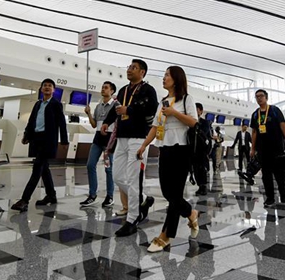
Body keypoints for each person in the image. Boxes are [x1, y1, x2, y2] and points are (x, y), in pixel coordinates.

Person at [137, 66, 200, 252]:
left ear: (176, 79)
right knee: (167, 192)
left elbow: (193, 122)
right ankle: (191, 212)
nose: (164, 78)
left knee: (174, 195)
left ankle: (165, 236)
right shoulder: (163, 101)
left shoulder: (187, 99)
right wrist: (144, 145)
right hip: (165, 148)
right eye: (164, 75)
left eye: (167, 75)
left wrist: (174, 113)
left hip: (182, 149)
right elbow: (155, 127)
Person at [101, 59, 158, 236]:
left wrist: (130, 110)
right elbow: (116, 108)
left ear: (142, 72)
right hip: (122, 138)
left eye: (134, 68)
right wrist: (107, 122)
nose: (129, 70)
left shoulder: (148, 90)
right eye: (129, 67)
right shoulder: (124, 90)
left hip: (139, 138)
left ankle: (132, 219)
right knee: (117, 176)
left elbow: (151, 110)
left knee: (134, 180)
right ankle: (143, 198)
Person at [11, 79, 69, 212]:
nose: (47, 87)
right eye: (45, 86)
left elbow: (62, 124)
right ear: (41, 89)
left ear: (53, 90)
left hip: (48, 141)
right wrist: (26, 135)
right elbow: (32, 121)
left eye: (50, 86)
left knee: (37, 168)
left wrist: (64, 141)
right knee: (44, 169)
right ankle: (51, 195)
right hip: (36, 140)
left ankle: (24, 200)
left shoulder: (56, 104)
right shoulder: (37, 104)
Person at [250, 89, 285, 208]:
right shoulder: (255, 114)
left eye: (261, 96)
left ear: (266, 97)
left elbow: (283, 126)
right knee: (266, 174)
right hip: (263, 150)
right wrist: (253, 149)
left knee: (280, 173)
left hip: (277, 148)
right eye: (257, 96)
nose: (259, 98)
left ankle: (283, 193)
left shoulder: (274, 110)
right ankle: (269, 197)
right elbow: (254, 132)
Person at [81, 81, 118, 207]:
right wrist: (89, 114)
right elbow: (93, 124)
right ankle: (92, 195)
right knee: (90, 165)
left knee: (108, 169)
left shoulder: (116, 105)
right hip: (97, 140)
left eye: (106, 88)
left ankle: (110, 196)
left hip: (109, 141)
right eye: (102, 87)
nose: (103, 89)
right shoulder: (98, 106)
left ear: (112, 91)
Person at [194, 103, 213, 196]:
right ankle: (199, 185)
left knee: (202, 168)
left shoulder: (205, 122)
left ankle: (203, 186)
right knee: (195, 169)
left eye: (197, 109)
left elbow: (205, 135)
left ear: (201, 111)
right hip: (193, 149)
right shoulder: (189, 121)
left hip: (202, 149)